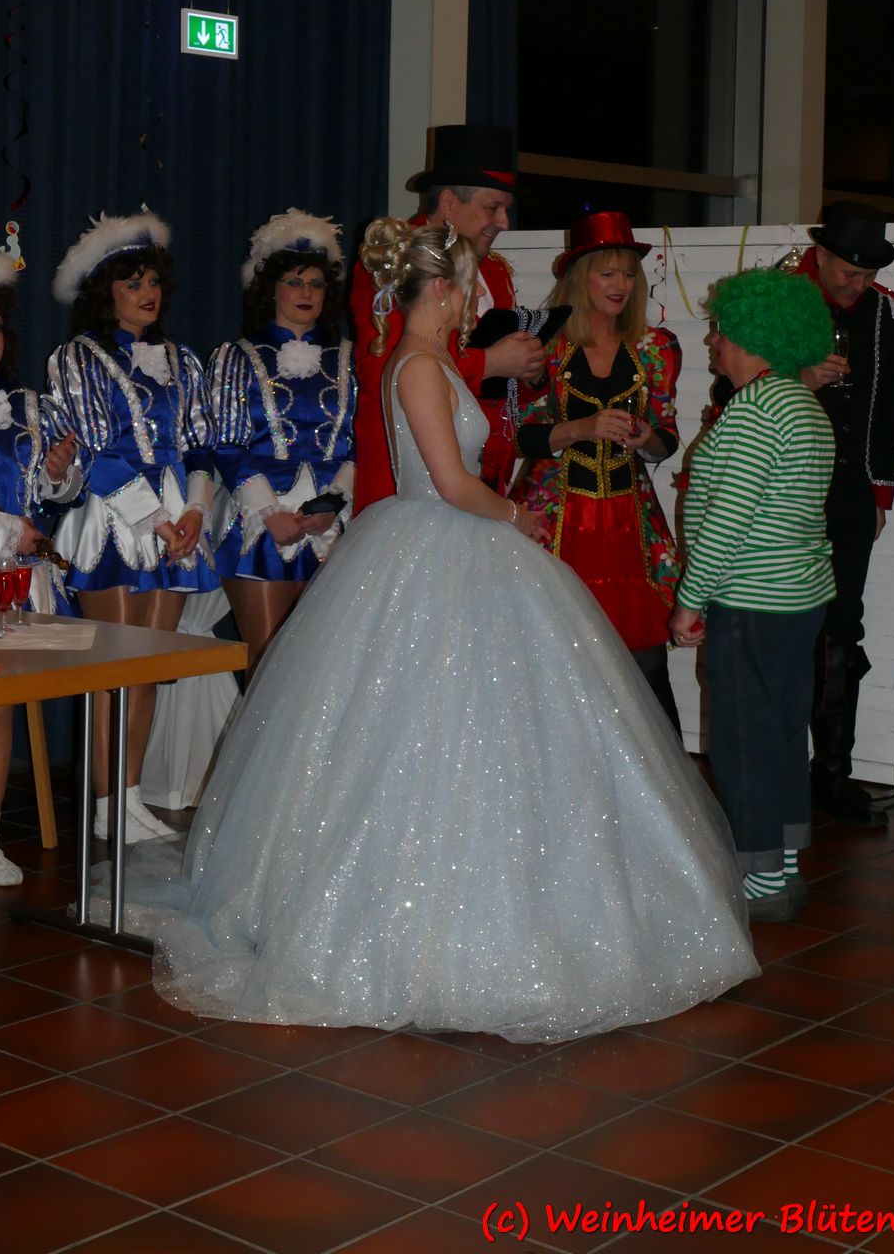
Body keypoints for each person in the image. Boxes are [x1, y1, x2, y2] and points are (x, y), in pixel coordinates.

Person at [132, 217, 757, 1039]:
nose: (471, 302)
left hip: (448, 544)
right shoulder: (420, 366)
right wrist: (518, 517)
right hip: (442, 538)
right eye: (465, 288)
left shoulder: (426, 361)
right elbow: (452, 482)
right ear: (441, 290)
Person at [46, 210, 219, 844]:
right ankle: (105, 805)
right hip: (115, 517)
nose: (148, 293)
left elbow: (200, 444)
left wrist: (194, 511)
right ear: (106, 292)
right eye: (132, 282)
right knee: (112, 669)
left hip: (176, 518)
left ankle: (129, 797)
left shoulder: (183, 360)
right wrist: (158, 520)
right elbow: (93, 449)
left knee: (148, 669)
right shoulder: (77, 357)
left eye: (153, 282)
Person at [670, 268, 836, 922]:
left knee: (743, 742)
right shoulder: (800, 404)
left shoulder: (755, 412)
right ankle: (782, 865)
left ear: (751, 335)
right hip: (796, 601)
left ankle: (758, 882)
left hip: (751, 602)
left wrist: (690, 599)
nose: (713, 341)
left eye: (721, 330)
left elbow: (727, 520)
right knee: (781, 733)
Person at [511, 211, 683, 732]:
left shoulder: (655, 348)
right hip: (556, 526)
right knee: (553, 663)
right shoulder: (543, 347)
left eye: (628, 273)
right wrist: (579, 428)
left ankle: (663, 778)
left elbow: (666, 438)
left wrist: (645, 438)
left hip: (629, 527)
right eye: (607, 273)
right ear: (578, 278)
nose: (621, 284)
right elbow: (520, 435)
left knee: (646, 664)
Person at [349, 123, 544, 510]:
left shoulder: (495, 272)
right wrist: (491, 362)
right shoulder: (394, 265)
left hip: (485, 473)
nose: (504, 222)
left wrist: (529, 369)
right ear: (450, 203)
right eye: (493, 208)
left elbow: (497, 385)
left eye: (506, 209)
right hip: (410, 487)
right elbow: (386, 367)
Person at [0, 239, 79, 889]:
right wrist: (7, 531)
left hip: (6, 583)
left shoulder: (26, 407)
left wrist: (59, 476)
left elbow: (50, 498)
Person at [209, 209, 356, 678]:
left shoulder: (349, 358)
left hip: (334, 527)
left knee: (325, 671)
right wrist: (270, 513)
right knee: (267, 670)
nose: (306, 293)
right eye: (295, 282)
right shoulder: (236, 356)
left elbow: (364, 442)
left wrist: (334, 503)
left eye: (316, 284)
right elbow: (225, 443)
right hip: (260, 525)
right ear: (271, 288)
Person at [793, 203, 894, 824]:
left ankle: (833, 770)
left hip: (851, 494)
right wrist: (801, 379)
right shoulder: (782, 299)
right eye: (848, 272)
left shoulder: (882, 311)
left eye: (867, 275)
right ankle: (782, 764)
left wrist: (879, 495)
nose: (857, 284)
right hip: (787, 489)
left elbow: (884, 404)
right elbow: (735, 392)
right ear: (821, 256)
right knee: (785, 626)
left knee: (842, 627)